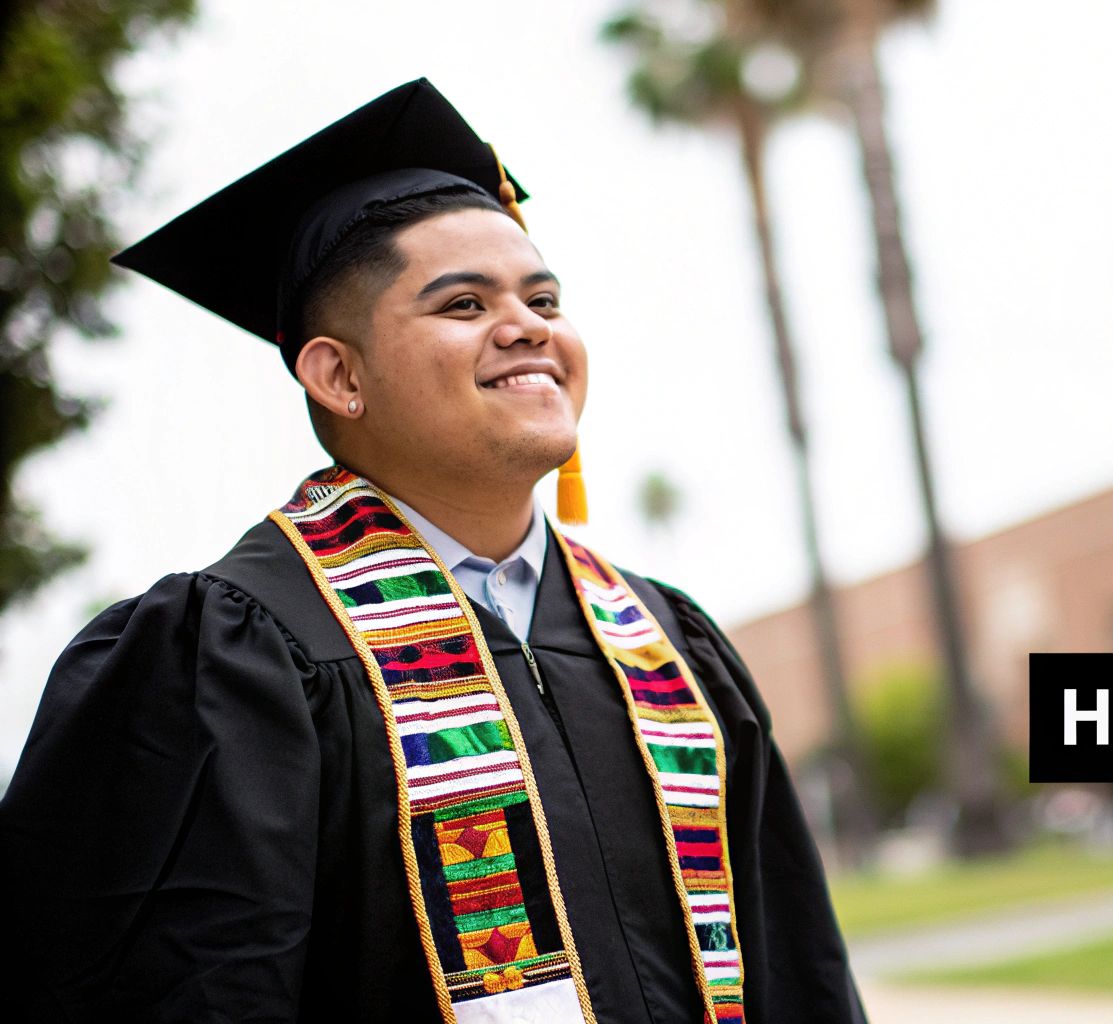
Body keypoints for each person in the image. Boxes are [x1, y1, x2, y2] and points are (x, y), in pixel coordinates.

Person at [0, 79, 868, 1024]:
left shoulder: (669, 644)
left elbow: (796, 976)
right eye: (463, 303)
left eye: (543, 297)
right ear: (339, 375)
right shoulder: (221, 660)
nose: (528, 325)